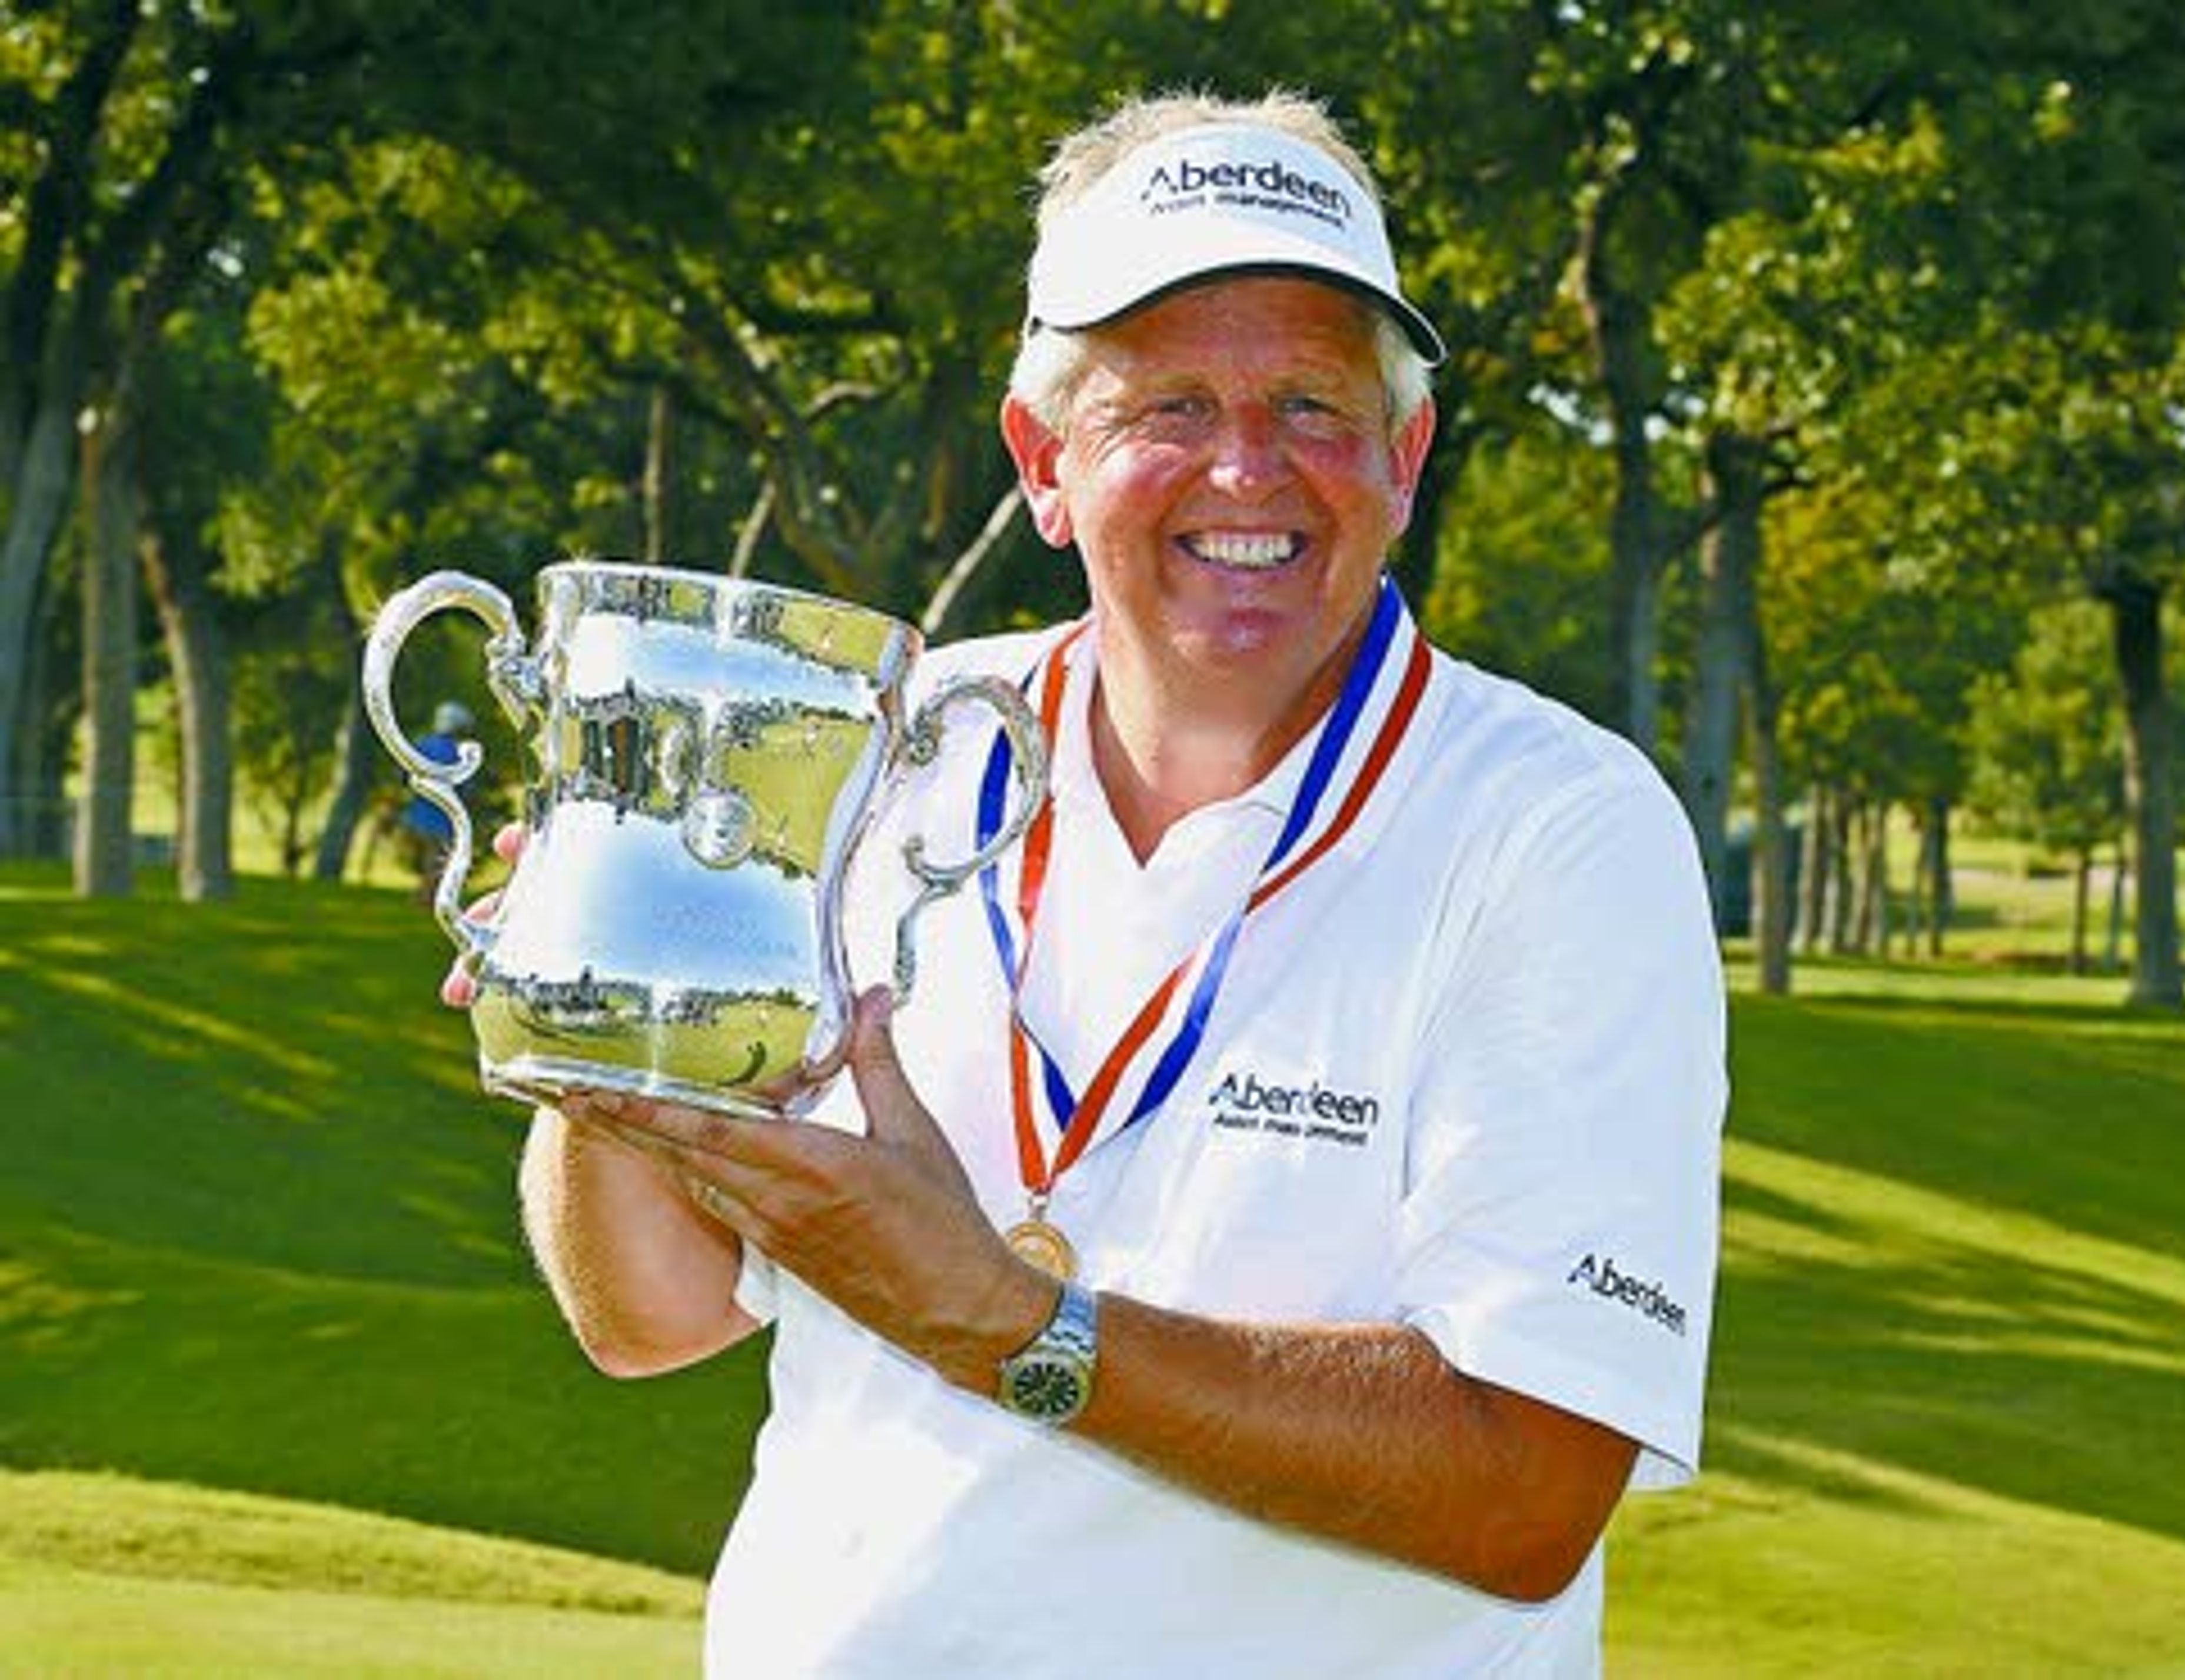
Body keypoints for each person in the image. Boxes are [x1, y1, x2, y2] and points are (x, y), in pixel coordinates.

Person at [457, 89, 1727, 1676]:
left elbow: (1524, 1486)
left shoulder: (1555, 826)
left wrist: (1004, 1317)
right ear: (1045, 460)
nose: (1249, 471)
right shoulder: (876, 745)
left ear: (1404, 457)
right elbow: (650, 1316)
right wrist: (607, 1043)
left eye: (1317, 407)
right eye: (1171, 405)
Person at [401, 700, 475, 904]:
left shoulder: (424, 744)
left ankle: (427, 894)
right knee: (436, 857)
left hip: (421, 808)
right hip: (443, 813)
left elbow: (405, 776)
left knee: (432, 856)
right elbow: (466, 787)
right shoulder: (457, 751)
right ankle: (427, 897)